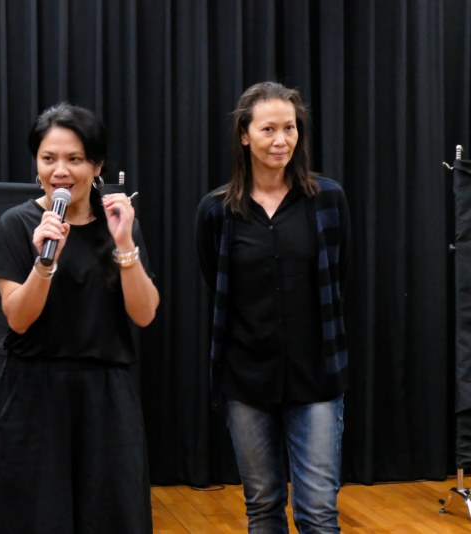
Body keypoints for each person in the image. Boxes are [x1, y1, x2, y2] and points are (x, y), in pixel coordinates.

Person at [0, 102, 160, 533]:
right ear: (36, 164)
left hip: (106, 396)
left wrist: (124, 245)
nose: (60, 171)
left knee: (110, 516)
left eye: (74, 159)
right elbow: (18, 319)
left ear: (96, 166)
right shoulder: (17, 224)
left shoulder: (118, 222)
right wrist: (45, 263)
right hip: (35, 393)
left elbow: (145, 313)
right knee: (35, 517)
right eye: (49, 158)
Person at [195, 81, 351, 533]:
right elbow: (214, 281)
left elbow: (340, 274)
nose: (281, 139)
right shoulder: (217, 211)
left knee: (318, 511)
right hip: (246, 378)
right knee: (262, 507)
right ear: (244, 135)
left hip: (316, 375)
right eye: (268, 129)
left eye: (290, 128)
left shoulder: (328, 199)